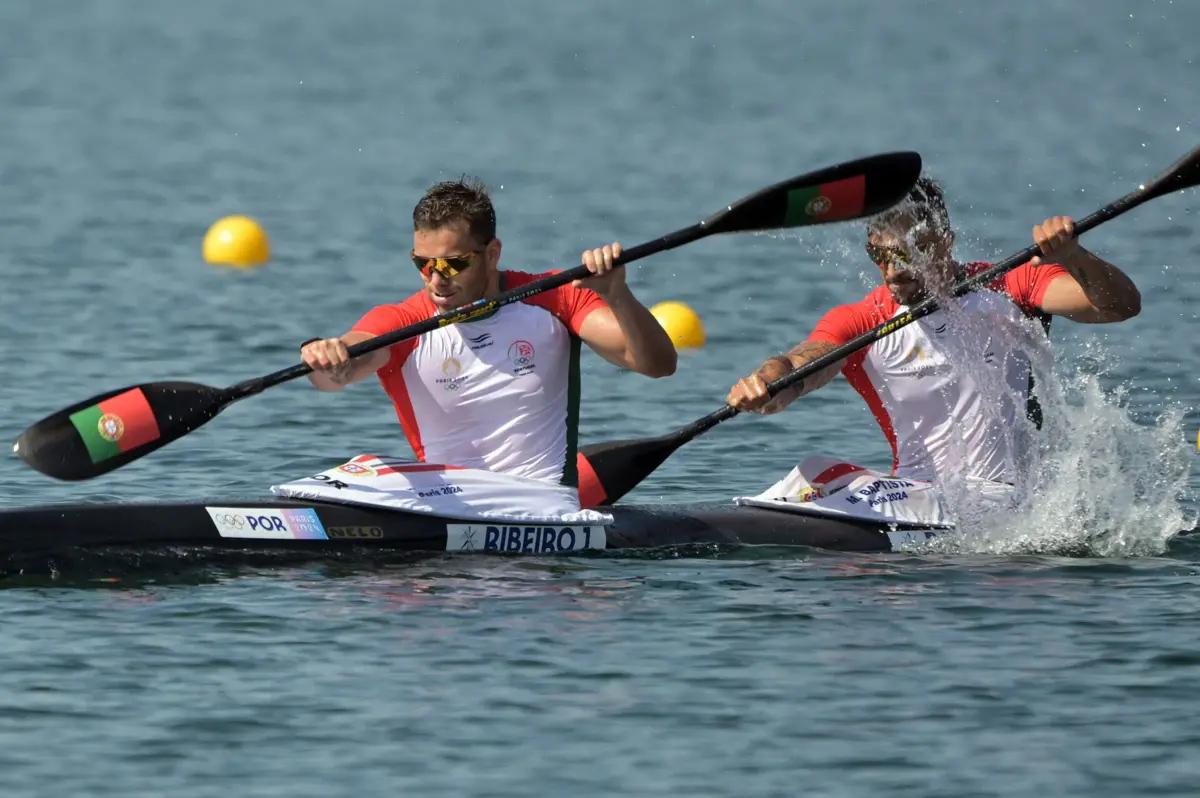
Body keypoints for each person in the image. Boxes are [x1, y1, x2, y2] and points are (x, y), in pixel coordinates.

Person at [726, 177, 1140, 502]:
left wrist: (1073, 257)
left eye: (909, 253)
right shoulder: (863, 320)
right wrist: (769, 383)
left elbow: (1119, 306)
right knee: (815, 469)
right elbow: (803, 362)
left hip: (1009, 504)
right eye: (881, 256)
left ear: (945, 242)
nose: (893, 271)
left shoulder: (1013, 285)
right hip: (917, 498)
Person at [299, 177, 677, 490]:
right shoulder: (405, 321)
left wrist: (616, 294)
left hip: (540, 510)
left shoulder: (555, 298)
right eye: (423, 264)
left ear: (492, 254)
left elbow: (657, 365)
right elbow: (338, 373)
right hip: (449, 505)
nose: (436, 280)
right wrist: (329, 359)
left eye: (453, 265)